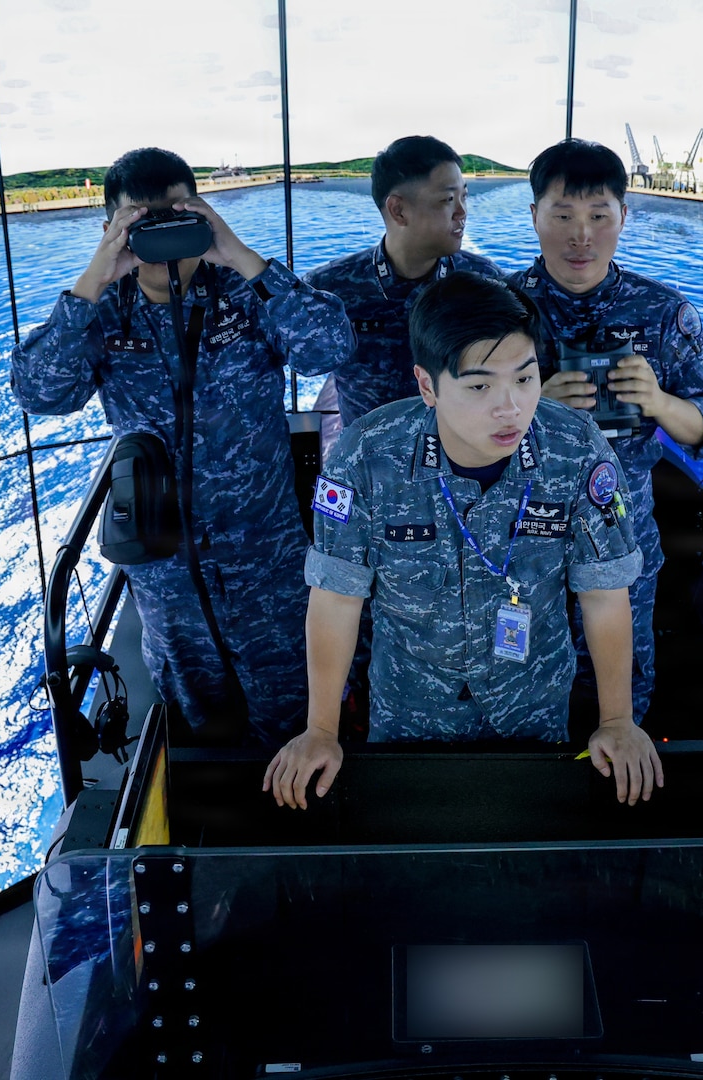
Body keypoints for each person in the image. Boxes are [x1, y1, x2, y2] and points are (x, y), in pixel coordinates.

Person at [263, 271, 664, 810]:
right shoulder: (365, 458)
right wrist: (320, 729)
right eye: (479, 386)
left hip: (533, 712)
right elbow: (336, 600)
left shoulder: (574, 449)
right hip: (410, 718)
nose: (510, 408)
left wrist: (616, 720)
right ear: (428, 386)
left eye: (524, 379)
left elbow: (603, 592)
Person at [10, 147, 353, 745]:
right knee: (199, 734)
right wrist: (95, 276)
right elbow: (40, 392)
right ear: (114, 229)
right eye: (144, 222)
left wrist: (236, 251)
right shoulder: (105, 313)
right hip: (168, 580)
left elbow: (330, 347)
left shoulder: (246, 296)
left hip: (265, 566)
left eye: (178, 217)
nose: (166, 236)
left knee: (293, 720)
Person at [510, 139, 703, 724]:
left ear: (622, 219)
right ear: (534, 216)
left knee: (621, 693)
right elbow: (447, 425)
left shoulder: (662, 313)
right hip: (518, 540)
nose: (580, 235)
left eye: (598, 216)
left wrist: (658, 401)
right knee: (520, 684)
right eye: (562, 216)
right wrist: (534, 402)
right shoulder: (500, 307)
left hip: (621, 535)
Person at [302, 135, 502, 446]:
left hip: (457, 465)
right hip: (368, 467)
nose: (462, 212)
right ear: (398, 210)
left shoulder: (485, 282)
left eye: (465, 197)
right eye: (448, 200)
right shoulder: (331, 288)